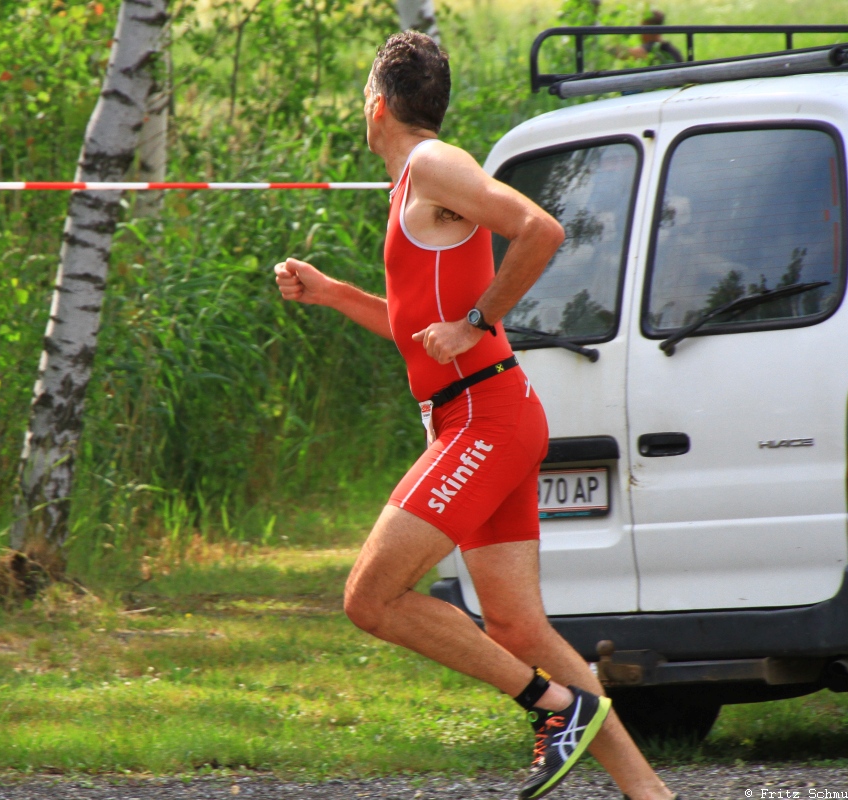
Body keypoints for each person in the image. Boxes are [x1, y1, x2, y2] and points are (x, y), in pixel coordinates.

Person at [274, 32, 678, 800]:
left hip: (483, 420)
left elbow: (541, 229)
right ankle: (648, 792)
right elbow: (414, 329)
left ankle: (552, 705)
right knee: (518, 629)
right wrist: (332, 294)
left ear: (376, 107)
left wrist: (476, 321)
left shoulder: (433, 163)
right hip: (486, 417)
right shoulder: (414, 188)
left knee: (370, 597)